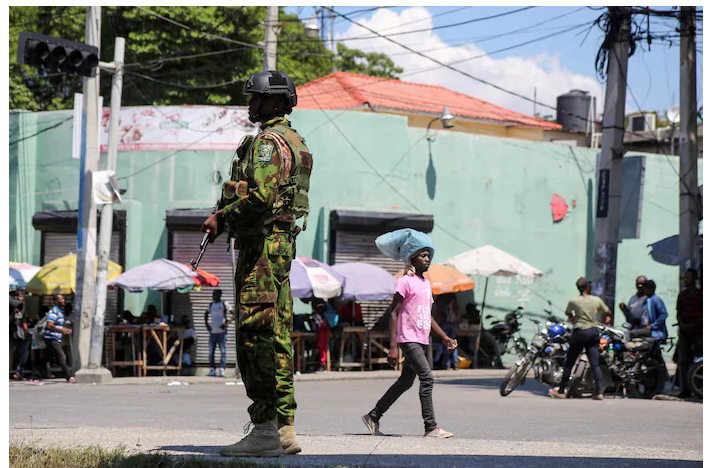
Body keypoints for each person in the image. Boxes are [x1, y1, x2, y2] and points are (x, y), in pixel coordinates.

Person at [201, 70, 311, 457]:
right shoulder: (295, 141)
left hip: (261, 247)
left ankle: (264, 429)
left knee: (255, 334)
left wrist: (223, 217)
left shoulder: (267, 142)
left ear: (277, 102)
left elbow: (262, 196)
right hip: (279, 246)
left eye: (257, 99)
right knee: (278, 333)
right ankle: (284, 428)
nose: (251, 105)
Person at [362, 235, 456, 439]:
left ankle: (373, 416)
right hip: (408, 339)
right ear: (411, 259)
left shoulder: (426, 284)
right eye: (422, 255)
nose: (427, 259)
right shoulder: (404, 282)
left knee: (405, 382)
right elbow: (394, 313)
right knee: (427, 378)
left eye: (428, 255)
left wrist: (444, 337)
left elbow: (427, 315)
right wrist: (393, 346)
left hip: (422, 339)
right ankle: (430, 427)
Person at [549, 278, 607, 400]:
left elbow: (568, 313)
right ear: (588, 287)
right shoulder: (596, 300)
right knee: (595, 364)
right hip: (593, 332)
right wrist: (606, 319)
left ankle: (561, 391)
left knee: (569, 363)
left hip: (580, 332)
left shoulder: (574, 301)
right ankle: (599, 392)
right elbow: (607, 311)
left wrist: (573, 318)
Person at [32, 294, 75, 383]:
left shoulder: (59, 312)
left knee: (46, 358)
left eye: (63, 298)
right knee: (61, 356)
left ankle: (37, 376)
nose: (63, 300)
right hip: (51, 337)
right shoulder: (54, 312)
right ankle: (68, 376)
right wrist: (62, 329)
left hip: (54, 338)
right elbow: (49, 325)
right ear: (55, 301)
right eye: (60, 299)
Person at [676, 268, 703, 398]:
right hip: (685, 333)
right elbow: (678, 313)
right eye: (684, 277)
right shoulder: (682, 295)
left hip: (698, 333)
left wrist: (694, 324)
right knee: (683, 361)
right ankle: (685, 389)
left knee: (700, 362)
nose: (685, 280)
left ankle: (699, 387)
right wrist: (683, 324)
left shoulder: (701, 295)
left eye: (688, 277)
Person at [464, 303, 505, 369]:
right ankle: (473, 364)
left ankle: (499, 362)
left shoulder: (477, 314)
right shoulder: (466, 316)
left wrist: (476, 317)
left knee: (494, 344)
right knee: (472, 347)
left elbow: (480, 324)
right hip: (471, 334)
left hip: (482, 332)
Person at [204, 289, 234, 377]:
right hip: (213, 332)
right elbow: (205, 314)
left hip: (222, 332)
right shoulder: (211, 305)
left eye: (215, 294)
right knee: (211, 352)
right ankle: (212, 370)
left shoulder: (224, 304)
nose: (213, 296)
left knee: (223, 351)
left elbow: (234, 313)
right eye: (213, 294)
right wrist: (207, 326)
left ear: (220, 295)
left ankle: (222, 369)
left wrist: (226, 324)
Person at [433, 294, 460, 370]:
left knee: (445, 343)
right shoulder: (453, 296)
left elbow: (439, 312)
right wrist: (458, 322)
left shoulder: (440, 297)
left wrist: (437, 325)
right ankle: (455, 363)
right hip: (453, 322)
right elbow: (457, 310)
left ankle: (447, 364)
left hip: (444, 323)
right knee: (453, 342)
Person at [9, 291, 30, 380]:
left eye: (23, 297)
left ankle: (19, 373)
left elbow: (24, 321)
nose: (22, 299)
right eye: (20, 297)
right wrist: (13, 314)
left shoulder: (22, 308)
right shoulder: (9, 307)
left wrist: (27, 332)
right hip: (11, 333)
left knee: (25, 354)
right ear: (15, 298)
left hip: (21, 335)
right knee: (8, 355)